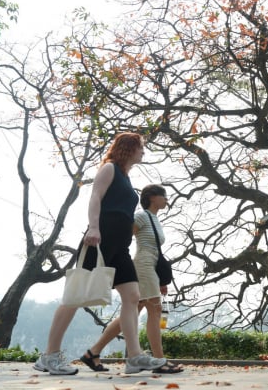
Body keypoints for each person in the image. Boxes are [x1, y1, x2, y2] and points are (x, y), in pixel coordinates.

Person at [33, 132, 166, 375]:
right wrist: (93, 227)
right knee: (75, 295)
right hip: (100, 239)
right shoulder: (110, 169)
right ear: (129, 147)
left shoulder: (125, 177)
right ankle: (49, 355)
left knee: (133, 296)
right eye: (140, 147)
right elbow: (95, 197)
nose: (143, 151)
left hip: (121, 247)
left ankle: (135, 356)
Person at [79, 184, 183, 374]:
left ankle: (92, 352)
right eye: (164, 196)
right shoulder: (142, 216)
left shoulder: (154, 219)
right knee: (155, 310)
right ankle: (159, 360)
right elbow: (123, 236)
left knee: (133, 312)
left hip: (151, 266)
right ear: (152, 197)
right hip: (142, 265)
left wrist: (160, 279)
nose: (167, 200)